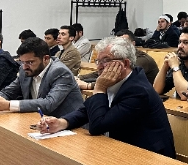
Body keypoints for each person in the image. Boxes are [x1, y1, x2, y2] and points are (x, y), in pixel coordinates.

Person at [41, 37, 176, 158]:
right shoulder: (117, 80)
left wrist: (99, 88)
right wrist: (62, 123)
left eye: (105, 61)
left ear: (125, 63)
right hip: (124, 149)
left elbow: (98, 126)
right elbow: (85, 111)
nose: (99, 67)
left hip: (150, 157)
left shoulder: (138, 91)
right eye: (98, 61)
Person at [0, 37, 83, 117]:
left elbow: (49, 104)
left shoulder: (60, 72)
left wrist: (8, 105)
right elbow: (8, 92)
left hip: (71, 126)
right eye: (22, 62)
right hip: (40, 121)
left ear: (45, 58)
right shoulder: (25, 70)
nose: (24, 67)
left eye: (30, 62)